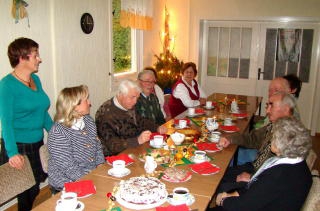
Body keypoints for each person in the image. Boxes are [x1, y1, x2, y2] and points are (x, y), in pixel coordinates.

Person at [212, 116, 312, 211]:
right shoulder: (297, 164)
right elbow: (257, 190)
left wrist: (223, 200)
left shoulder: (278, 175)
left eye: (273, 136)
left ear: (280, 143)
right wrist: (233, 194)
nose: (270, 139)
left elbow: (243, 206)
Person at [0, 37, 53, 211]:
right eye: (35, 55)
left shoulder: (35, 80)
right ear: (22, 58)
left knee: (35, 187)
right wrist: (12, 153)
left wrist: (55, 132)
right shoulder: (7, 86)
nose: (40, 58)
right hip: (19, 146)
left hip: (36, 143)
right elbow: (6, 123)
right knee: (26, 191)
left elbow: (41, 112)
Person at [217, 92, 296, 192]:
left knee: (222, 184)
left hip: (262, 180)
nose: (267, 111)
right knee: (219, 175)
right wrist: (230, 138)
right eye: (267, 106)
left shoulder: (290, 135)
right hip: (255, 167)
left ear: (286, 109)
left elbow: (280, 174)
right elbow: (252, 138)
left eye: (271, 106)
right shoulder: (275, 124)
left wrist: (253, 177)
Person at [47, 85, 105, 192]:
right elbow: (68, 167)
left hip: (91, 176)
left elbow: (97, 147)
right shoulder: (59, 132)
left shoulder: (88, 120)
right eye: (86, 100)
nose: (89, 103)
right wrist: (90, 181)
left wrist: (101, 167)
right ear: (74, 106)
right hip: (67, 184)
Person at [95, 79, 167, 156]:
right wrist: (137, 140)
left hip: (135, 149)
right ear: (121, 94)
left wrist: (157, 127)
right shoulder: (105, 115)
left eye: (137, 97)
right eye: (132, 97)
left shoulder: (128, 104)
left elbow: (141, 121)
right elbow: (112, 145)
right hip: (118, 157)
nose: (135, 101)